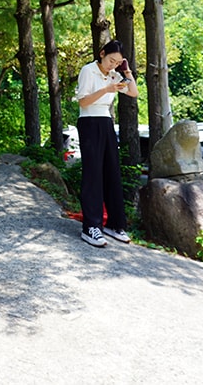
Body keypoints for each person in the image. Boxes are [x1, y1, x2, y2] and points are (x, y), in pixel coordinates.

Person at [73, 39, 139, 248]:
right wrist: (107, 89)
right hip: (89, 122)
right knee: (93, 174)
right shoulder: (88, 71)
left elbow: (133, 93)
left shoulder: (114, 74)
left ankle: (114, 224)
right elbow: (83, 102)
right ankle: (91, 227)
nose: (113, 65)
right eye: (111, 60)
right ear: (102, 54)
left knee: (112, 172)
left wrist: (127, 73)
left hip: (106, 122)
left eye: (118, 62)